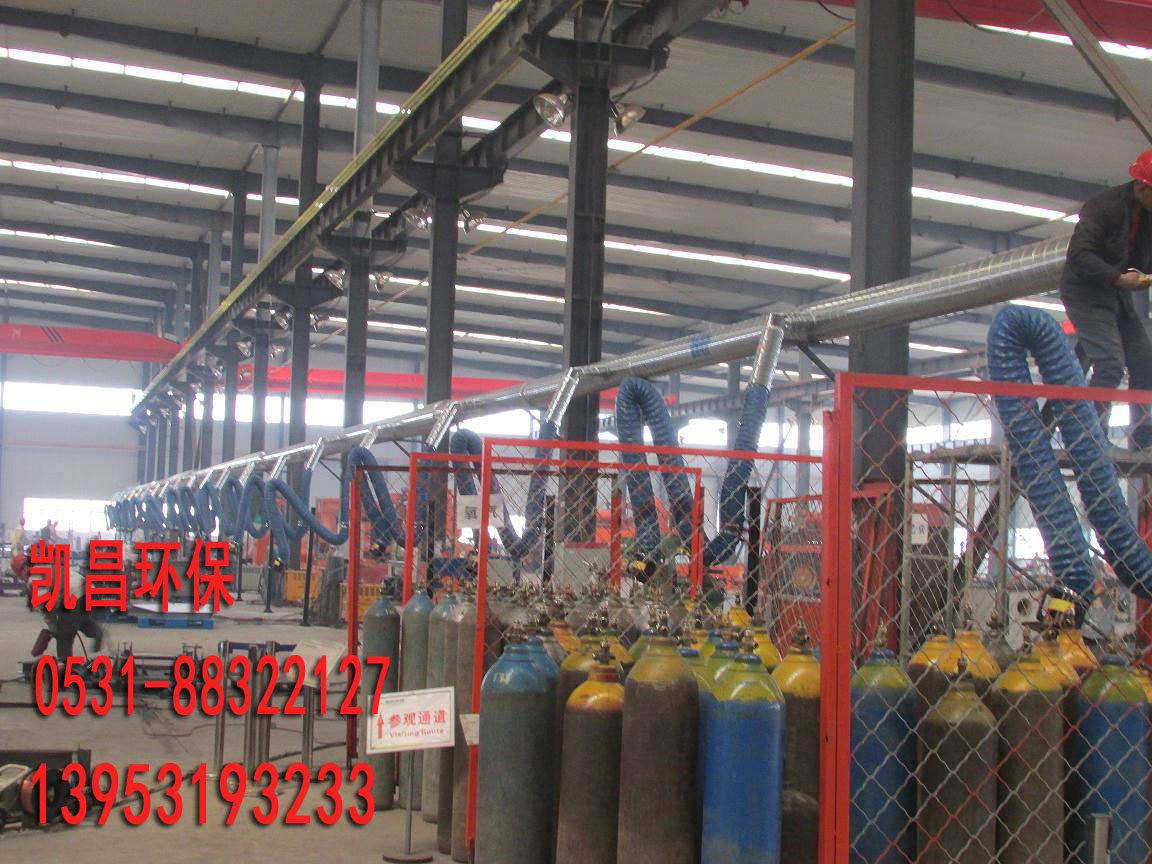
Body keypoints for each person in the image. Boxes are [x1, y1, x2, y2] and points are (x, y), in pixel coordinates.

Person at [1060, 148, 1152, 449]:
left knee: (1144, 361)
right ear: (1142, 187)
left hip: (1115, 294)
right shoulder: (1104, 207)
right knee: (1111, 364)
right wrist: (1117, 278)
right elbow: (1078, 254)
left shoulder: (1147, 214)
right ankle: (1092, 438)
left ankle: (1144, 437)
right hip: (1086, 293)